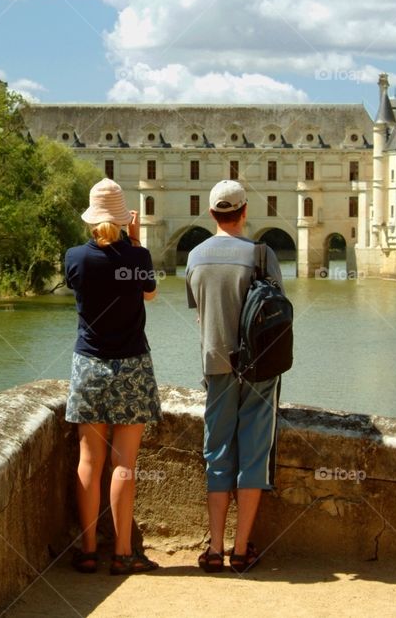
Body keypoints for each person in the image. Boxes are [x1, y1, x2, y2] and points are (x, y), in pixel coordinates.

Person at [185, 180, 284, 574]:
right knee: (254, 455)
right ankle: (242, 550)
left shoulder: (194, 256)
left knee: (218, 452)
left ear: (212, 214)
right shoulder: (262, 254)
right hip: (259, 369)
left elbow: (200, 311)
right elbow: (276, 311)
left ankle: (214, 547)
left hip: (216, 366)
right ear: (245, 212)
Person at [64, 178, 162, 576]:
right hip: (132, 365)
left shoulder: (74, 257)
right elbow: (150, 294)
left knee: (90, 461)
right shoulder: (137, 257)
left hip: (89, 364)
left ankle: (88, 551)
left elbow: (80, 286)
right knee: (124, 464)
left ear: (90, 218)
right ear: (124, 219)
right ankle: (123, 554)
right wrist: (135, 245)